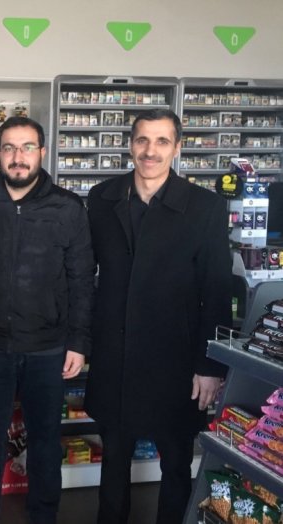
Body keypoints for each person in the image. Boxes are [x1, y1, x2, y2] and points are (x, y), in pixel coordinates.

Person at [85, 108, 231, 524]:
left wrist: (210, 366)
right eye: (143, 140)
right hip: (116, 353)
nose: (151, 151)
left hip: (176, 359)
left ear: (177, 147)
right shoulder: (102, 198)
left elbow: (216, 290)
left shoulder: (205, 207)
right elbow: (84, 272)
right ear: (130, 145)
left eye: (162, 141)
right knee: (113, 459)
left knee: (176, 462)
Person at [0, 116, 95, 524]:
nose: (17, 157)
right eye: (9, 148)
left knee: (44, 439)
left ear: (42, 152)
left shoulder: (68, 207)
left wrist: (78, 342)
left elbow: (81, 279)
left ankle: (43, 516)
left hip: (48, 348)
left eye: (26, 148)